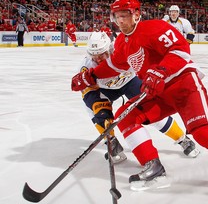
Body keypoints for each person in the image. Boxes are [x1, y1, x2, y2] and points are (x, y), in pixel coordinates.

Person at [71, 0, 208, 195]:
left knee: (202, 132)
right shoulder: (121, 42)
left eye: (124, 15)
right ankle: (153, 168)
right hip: (159, 92)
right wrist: (90, 76)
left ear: (136, 14)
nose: (120, 21)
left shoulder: (154, 28)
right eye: (116, 17)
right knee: (126, 116)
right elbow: (114, 66)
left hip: (184, 85)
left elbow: (181, 50)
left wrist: (161, 70)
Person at [75, 31, 200, 164]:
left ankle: (181, 138)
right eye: (95, 56)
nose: (99, 59)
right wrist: (100, 108)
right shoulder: (86, 66)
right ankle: (111, 142)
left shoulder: (122, 51)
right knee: (96, 114)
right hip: (105, 89)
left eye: (102, 55)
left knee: (151, 111)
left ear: (110, 48)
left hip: (129, 82)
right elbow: (87, 92)